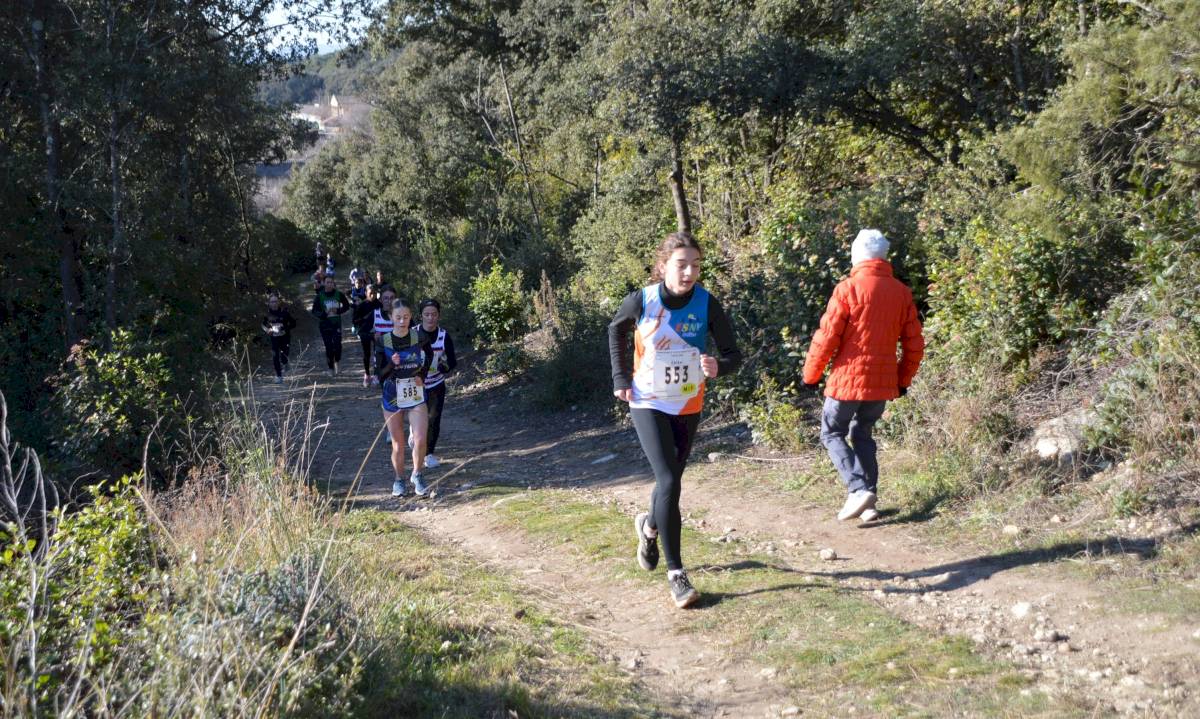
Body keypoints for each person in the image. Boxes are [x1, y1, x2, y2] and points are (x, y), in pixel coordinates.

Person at [609, 232, 742, 609]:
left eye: (696, 265)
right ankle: (677, 575)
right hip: (647, 401)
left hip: (687, 402)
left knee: (671, 481)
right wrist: (621, 378)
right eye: (681, 264)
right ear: (663, 265)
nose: (689, 272)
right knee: (668, 479)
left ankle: (649, 528)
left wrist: (718, 366)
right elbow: (615, 330)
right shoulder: (643, 299)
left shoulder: (706, 303)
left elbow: (734, 354)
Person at [802, 229, 925, 523]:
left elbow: (826, 338)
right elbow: (914, 345)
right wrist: (902, 380)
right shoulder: (901, 292)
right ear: (883, 257)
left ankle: (857, 489)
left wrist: (811, 375)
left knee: (831, 432)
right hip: (882, 385)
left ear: (857, 257)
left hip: (846, 381)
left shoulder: (847, 289)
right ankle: (868, 502)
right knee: (862, 434)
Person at [376, 298, 434, 497]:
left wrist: (422, 375)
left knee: (419, 438)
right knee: (398, 444)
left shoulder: (419, 336)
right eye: (398, 317)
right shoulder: (382, 340)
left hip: (416, 393)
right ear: (391, 317)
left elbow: (430, 355)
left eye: (406, 317)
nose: (402, 321)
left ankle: (417, 474)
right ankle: (399, 480)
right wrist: (391, 364)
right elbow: (380, 375)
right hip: (392, 394)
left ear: (411, 317)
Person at [416, 298, 458, 468]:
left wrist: (443, 367)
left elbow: (453, 361)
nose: (430, 318)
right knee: (418, 417)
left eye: (434, 314)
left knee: (433, 419)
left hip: (436, 384)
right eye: (427, 314)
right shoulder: (412, 333)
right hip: (415, 383)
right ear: (421, 316)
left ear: (438, 316)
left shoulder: (444, 335)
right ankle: (415, 435)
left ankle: (429, 454)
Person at [311, 274, 351, 376]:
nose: (329, 284)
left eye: (331, 282)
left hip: (336, 324)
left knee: (337, 345)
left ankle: (337, 362)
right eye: (327, 282)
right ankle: (330, 368)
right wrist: (324, 314)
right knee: (329, 347)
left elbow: (346, 306)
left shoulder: (339, 294)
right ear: (324, 283)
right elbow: (314, 311)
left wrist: (338, 310)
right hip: (325, 324)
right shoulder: (320, 296)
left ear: (333, 283)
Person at [261, 293, 297, 383]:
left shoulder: (284, 312)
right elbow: (263, 324)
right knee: (275, 356)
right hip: (274, 338)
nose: (274, 303)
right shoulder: (267, 314)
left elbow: (293, 323)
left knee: (284, 356)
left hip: (285, 338)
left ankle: (285, 363)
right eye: (272, 302)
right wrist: (267, 330)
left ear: (278, 302)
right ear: (269, 303)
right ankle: (279, 376)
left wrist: (284, 328)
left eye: (275, 301)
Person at [351, 284, 378, 387]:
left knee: (378, 354)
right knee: (366, 354)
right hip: (365, 333)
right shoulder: (361, 306)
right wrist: (365, 320)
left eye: (374, 293)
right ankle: (367, 375)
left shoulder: (379, 304)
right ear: (366, 293)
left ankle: (376, 375)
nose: (372, 295)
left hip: (377, 333)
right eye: (370, 293)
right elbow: (354, 320)